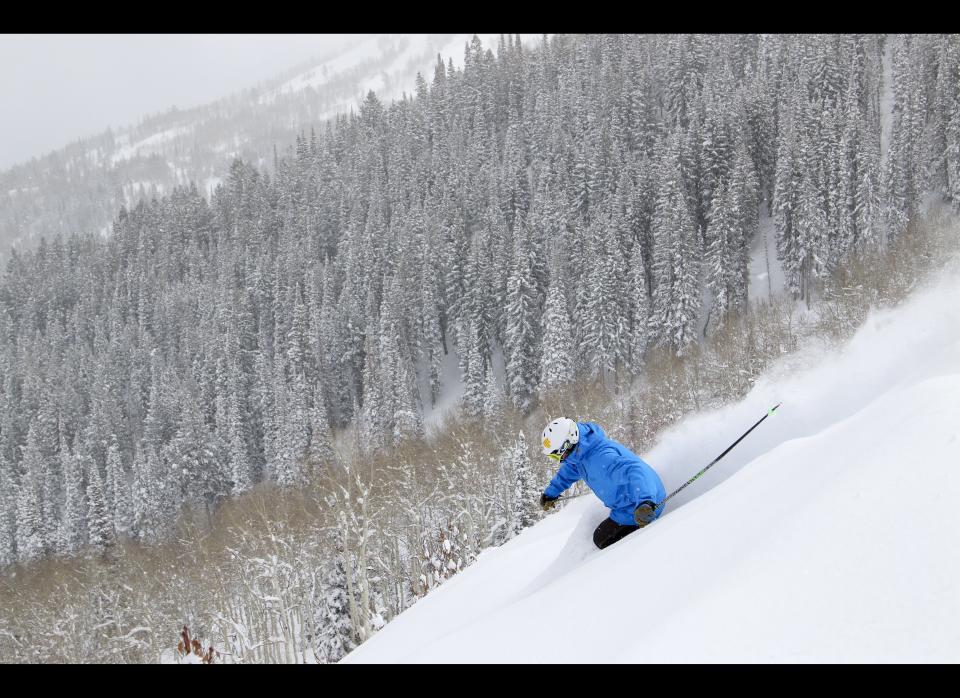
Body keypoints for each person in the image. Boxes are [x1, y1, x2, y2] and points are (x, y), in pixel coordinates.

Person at [539, 417, 667, 549]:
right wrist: (551, 493)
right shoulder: (581, 454)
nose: (558, 460)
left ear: (567, 444)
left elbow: (635, 470)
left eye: (556, 455)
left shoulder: (601, 457)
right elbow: (568, 472)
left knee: (601, 540)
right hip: (630, 504)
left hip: (641, 508)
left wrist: (645, 502)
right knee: (600, 537)